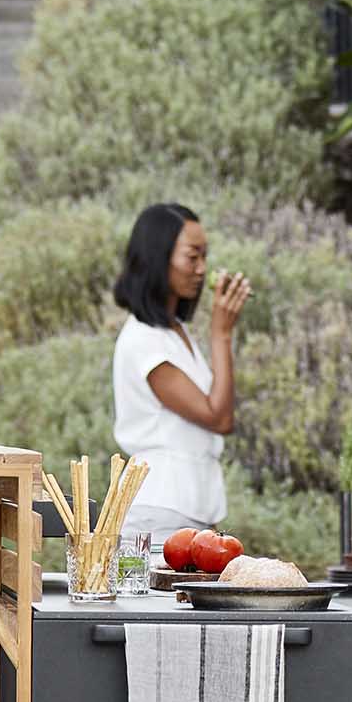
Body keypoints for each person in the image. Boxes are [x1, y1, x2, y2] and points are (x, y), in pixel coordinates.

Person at [111, 203, 251, 537]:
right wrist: (222, 333)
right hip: (159, 511)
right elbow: (218, 417)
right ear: (158, 257)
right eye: (192, 257)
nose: (202, 269)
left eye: (205, 256)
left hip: (189, 507)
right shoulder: (144, 339)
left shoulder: (175, 332)